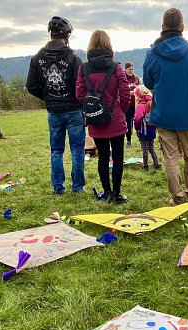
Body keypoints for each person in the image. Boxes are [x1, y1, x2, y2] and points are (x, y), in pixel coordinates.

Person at [143, 7, 188, 206]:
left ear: (163, 27)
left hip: (164, 115)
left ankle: (177, 197)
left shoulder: (152, 53)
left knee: (170, 158)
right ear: (182, 27)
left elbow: (149, 83)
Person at [26, 16, 85, 195]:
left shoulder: (37, 58)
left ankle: (58, 187)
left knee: (56, 150)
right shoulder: (73, 58)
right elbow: (81, 85)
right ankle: (78, 188)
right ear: (66, 35)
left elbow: (31, 86)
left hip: (53, 111)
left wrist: (48, 97)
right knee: (77, 149)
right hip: (74, 109)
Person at [76, 30, 130, 204]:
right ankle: (116, 193)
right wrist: (120, 108)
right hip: (115, 118)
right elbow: (125, 91)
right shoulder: (116, 67)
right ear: (109, 45)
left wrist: (92, 106)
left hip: (96, 119)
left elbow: (79, 93)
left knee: (103, 156)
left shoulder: (83, 68)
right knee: (118, 156)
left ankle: (106, 192)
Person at [133, 85, 161, 171]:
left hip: (143, 131)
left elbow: (137, 119)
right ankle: (156, 163)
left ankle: (145, 166)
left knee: (144, 148)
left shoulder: (141, 105)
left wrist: (136, 127)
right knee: (151, 147)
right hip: (152, 130)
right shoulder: (152, 102)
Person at [124, 62, 140, 148]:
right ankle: (128, 140)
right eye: (129, 69)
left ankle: (139, 140)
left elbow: (140, 88)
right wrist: (129, 93)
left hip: (136, 104)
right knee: (127, 123)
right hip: (126, 104)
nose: (131, 71)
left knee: (136, 122)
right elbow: (120, 90)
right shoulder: (123, 78)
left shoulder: (136, 78)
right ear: (125, 69)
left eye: (132, 69)